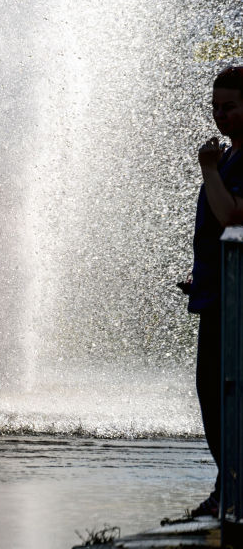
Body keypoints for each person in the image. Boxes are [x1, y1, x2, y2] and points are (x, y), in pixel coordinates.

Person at [186, 66, 243, 518]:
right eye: (216, 107)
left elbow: (232, 217)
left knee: (227, 392)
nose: (220, 116)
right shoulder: (229, 157)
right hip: (219, 293)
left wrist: (208, 169)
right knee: (214, 391)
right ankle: (229, 487)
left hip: (238, 302)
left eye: (230, 107)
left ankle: (232, 492)